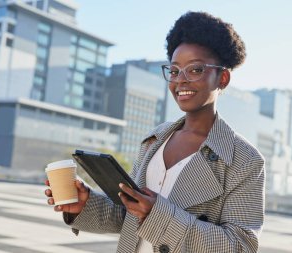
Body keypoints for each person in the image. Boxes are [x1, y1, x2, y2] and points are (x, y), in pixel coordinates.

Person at [45, 11, 265, 253]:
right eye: (173, 71)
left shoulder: (244, 160)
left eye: (195, 70)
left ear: (222, 78)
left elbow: (241, 246)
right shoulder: (156, 139)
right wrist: (85, 204)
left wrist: (158, 215)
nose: (180, 80)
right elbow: (128, 215)